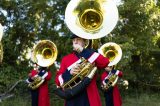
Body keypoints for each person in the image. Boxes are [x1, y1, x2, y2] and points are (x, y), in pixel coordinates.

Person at [54, 34, 110, 106]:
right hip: (72, 97)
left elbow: (105, 62)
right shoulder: (66, 59)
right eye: (73, 40)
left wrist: (83, 51)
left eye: (78, 39)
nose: (75, 42)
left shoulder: (91, 54)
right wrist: (69, 72)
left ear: (85, 41)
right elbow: (57, 80)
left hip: (90, 96)